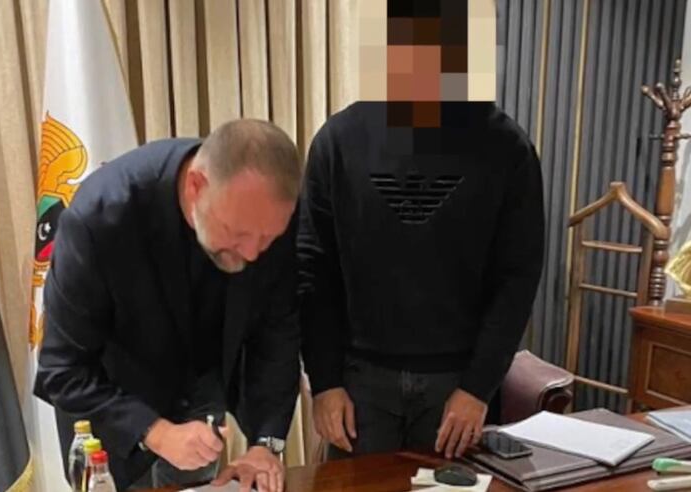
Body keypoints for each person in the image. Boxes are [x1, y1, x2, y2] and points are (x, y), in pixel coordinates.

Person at [298, 0, 545, 461]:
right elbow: (313, 269)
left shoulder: (507, 149)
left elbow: (518, 277)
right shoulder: (338, 141)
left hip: (458, 383)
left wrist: (478, 387)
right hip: (359, 381)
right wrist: (324, 381)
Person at [34, 119, 301, 492]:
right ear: (196, 186)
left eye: (267, 239)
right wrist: (155, 432)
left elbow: (277, 331)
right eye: (237, 234)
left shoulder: (267, 212)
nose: (254, 253)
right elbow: (62, 368)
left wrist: (265, 443)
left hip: (202, 390)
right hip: (115, 406)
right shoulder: (98, 218)